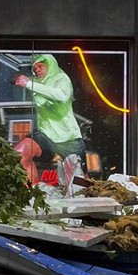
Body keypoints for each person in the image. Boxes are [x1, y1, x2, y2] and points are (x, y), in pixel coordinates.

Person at [13, 53, 88, 183]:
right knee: (19, 155)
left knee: (80, 180)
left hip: (68, 138)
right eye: (35, 68)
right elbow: (21, 80)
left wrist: (28, 84)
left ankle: (90, 199)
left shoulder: (62, 79)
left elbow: (61, 96)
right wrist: (18, 78)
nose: (36, 70)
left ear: (51, 65)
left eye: (40, 66)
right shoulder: (36, 83)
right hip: (46, 135)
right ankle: (33, 196)